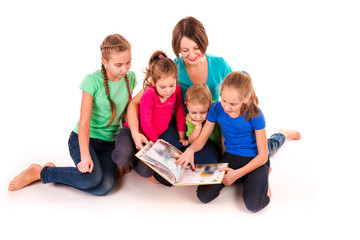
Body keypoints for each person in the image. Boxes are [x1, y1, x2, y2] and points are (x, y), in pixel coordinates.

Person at [8, 34, 137, 196]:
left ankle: (54, 173)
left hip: (108, 144)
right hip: (83, 139)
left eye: (129, 62)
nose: (125, 68)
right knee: (91, 179)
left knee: (104, 187)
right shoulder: (92, 81)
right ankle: (39, 172)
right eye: (118, 64)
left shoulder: (130, 78)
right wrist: (84, 156)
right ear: (104, 61)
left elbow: (126, 114)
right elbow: (83, 123)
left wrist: (120, 155)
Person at [175, 71, 300, 212]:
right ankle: (247, 178)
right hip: (232, 156)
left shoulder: (255, 114)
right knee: (204, 196)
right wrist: (190, 150)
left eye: (233, 104)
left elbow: (263, 156)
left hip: (255, 158)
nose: (226, 107)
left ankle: (281, 136)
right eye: (223, 99)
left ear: (247, 98)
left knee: (255, 205)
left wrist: (236, 174)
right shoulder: (216, 108)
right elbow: (202, 139)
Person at [126, 16, 230, 166]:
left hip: (209, 127)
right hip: (181, 127)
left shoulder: (219, 64)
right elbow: (134, 103)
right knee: (171, 160)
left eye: (196, 48)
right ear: (178, 49)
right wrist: (135, 133)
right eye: (185, 50)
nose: (192, 55)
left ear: (203, 43)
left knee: (209, 160)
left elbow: (238, 90)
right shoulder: (174, 68)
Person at [112, 50, 187, 180]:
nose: (168, 90)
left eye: (171, 85)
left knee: (145, 172)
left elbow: (180, 112)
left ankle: (134, 156)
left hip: (151, 139)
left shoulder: (177, 91)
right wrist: (156, 145)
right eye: (163, 87)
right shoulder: (149, 94)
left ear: (176, 80)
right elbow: (145, 122)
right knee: (122, 157)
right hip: (133, 132)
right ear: (153, 82)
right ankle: (123, 154)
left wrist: (182, 136)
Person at [185, 84, 222, 150]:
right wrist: (197, 127)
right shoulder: (189, 118)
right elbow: (190, 141)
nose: (198, 117)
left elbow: (224, 136)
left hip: (216, 146)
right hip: (198, 145)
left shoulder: (215, 115)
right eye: (194, 112)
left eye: (203, 112)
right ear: (187, 107)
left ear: (210, 106)